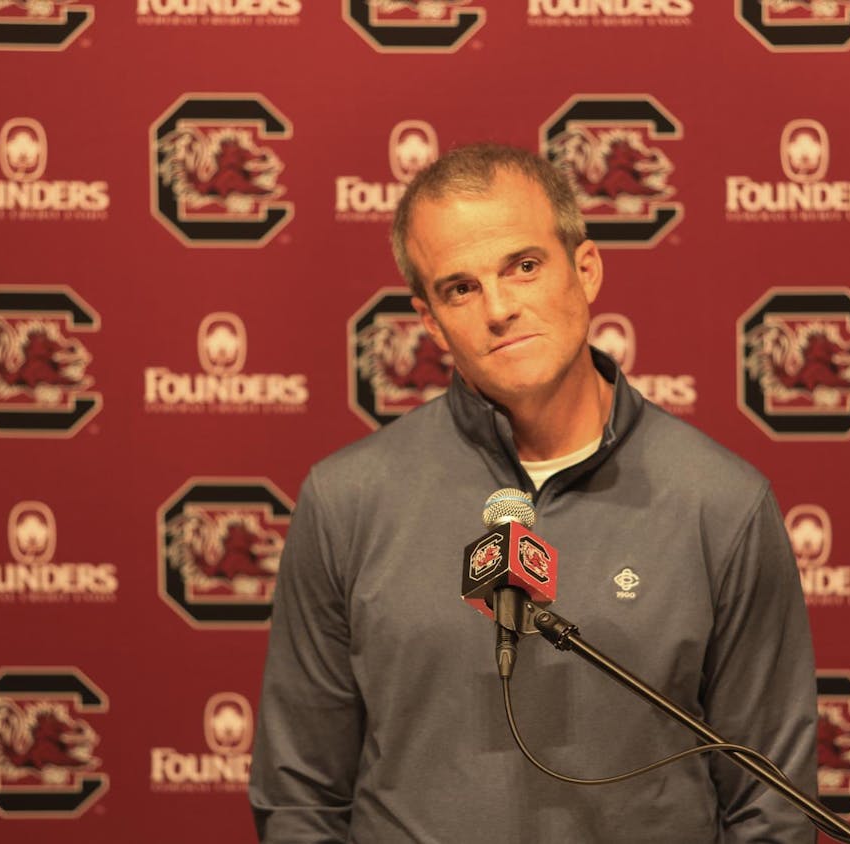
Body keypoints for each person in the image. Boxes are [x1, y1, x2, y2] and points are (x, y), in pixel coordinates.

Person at [250, 143, 818, 843]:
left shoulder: (720, 502)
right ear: (429, 320)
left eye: (523, 266)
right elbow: (298, 797)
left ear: (585, 269)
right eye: (460, 288)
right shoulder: (346, 500)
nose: (499, 308)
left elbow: (774, 807)